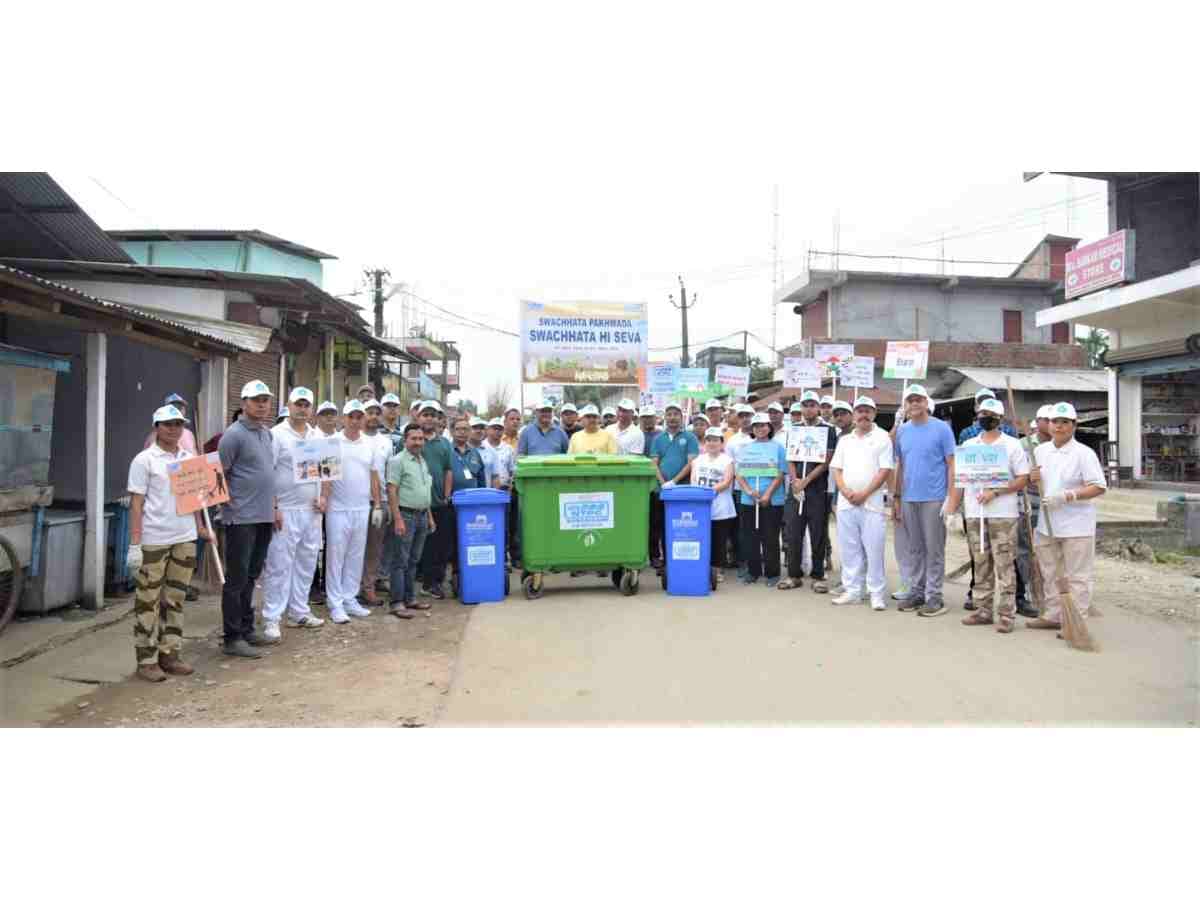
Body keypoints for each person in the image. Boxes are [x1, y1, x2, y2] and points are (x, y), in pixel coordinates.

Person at [125, 404, 213, 681]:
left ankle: (170, 654)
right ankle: (146, 660)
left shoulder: (190, 459)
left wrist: (200, 527)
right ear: (156, 427)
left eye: (178, 424)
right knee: (148, 601)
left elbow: (197, 498)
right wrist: (135, 543)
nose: (174, 429)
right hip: (154, 539)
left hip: (184, 537)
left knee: (175, 599)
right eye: (167, 424)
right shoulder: (144, 460)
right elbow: (136, 504)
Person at [944, 398, 1030, 634]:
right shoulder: (969, 445)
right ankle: (983, 609)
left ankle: (1007, 613)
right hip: (975, 513)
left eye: (990, 414)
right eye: (982, 413)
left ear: (1000, 419)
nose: (986, 417)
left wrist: (996, 492)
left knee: (1005, 564)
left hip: (1003, 515)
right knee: (981, 563)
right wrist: (952, 509)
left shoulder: (1012, 445)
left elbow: (1023, 478)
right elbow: (960, 480)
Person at [1027, 402, 1107, 633]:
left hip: (1077, 525)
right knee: (1050, 572)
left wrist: (1068, 496)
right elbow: (1035, 482)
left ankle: (1076, 621)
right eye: (1055, 422)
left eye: (1064, 422)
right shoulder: (1040, 451)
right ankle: (1053, 615)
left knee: (1077, 576)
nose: (1059, 426)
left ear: (1074, 425)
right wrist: (1033, 477)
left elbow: (1098, 487)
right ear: (1048, 424)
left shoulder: (1084, 453)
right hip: (1047, 523)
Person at [217, 380, 278, 658]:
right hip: (240, 518)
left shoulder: (267, 434)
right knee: (237, 578)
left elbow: (268, 473)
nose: (262, 405)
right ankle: (232, 637)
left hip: (264, 516)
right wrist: (228, 505)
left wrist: (274, 507)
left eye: (265, 400)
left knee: (252, 576)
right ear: (244, 403)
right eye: (256, 400)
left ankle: (246, 628)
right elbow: (218, 475)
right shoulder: (233, 435)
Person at [259, 386, 326, 642]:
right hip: (285, 511)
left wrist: (324, 497)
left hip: (312, 511)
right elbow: (267, 473)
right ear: (289, 405)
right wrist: (274, 506)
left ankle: (299, 611)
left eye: (306, 405)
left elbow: (327, 470)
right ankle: (272, 618)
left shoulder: (317, 436)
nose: (302, 409)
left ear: (312, 408)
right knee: (279, 565)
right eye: (298, 404)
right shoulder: (276, 435)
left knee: (307, 562)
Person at [891, 384, 957, 617]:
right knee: (915, 549)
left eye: (918, 399)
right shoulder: (902, 431)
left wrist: (951, 498)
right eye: (910, 400)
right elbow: (900, 465)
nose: (914, 404)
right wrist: (896, 497)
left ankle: (934, 596)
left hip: (934, 498)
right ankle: (917, 592)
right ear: (905, 405)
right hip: (909, 498)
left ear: (926, 403)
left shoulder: (942, 429)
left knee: (934, 549)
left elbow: (952, 464)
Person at [828, 396, 894, 609]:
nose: (863, 414)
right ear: (854, 414)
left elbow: (885, 470)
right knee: (849, 549)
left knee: (874, 550)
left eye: (867, 411)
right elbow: (836, 469)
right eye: (860, 411)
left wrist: (864, 493)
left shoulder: (883, 437)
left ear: (874, 413)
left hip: (872, 504)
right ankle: (853, 591)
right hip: (846, 503)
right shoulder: (845, 440)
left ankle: (876, 593)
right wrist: (845, 491)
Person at [320, 400, 382, 623]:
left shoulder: (369, 444)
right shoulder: (332, 442)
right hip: (338, 509)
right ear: (343, 419)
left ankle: (350, 598)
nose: (355, 421)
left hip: (361, 508)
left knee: (356, 556)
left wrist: (377, 504)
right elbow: (326, 476)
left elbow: (374, 476)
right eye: (351, 417)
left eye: (359, 417)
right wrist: (324, 499)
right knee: (336, 557)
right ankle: (335, 603)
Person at [778, 391, 838, 593]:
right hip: (796, 488)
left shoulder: (828, 430)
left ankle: (818, 575)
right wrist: (795, 480)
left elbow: (827, 460)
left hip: (817, 489)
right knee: (793, 532)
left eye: (812, 405)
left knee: (818, 533)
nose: (809, 409)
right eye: (805, 405)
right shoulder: (794, 429)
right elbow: (790, 457)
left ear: (818, 407)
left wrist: (807, 480)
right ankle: (794, 575)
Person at [386, 423, 436, 619]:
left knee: (414, 560)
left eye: (421, 439)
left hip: (422, 515)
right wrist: (397, 518)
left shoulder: (422, 461)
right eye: (414, 438)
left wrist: (430, 517)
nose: (418, 442)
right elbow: (392, 490)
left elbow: (425, 491)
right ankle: (396, 602)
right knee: (400, 560)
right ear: (405, 440)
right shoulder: (397, 461)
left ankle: (410, 598)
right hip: (405, 516)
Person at [734, 413, 786, 586]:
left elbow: (780, 473)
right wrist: (749, 491)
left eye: (763, 425)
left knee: (770, 537)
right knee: (750, 537)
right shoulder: (745, 448)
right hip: (749, 500)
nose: (760, 428)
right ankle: (753, 571)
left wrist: (767, 494)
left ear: (769, 427)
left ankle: (772, 573)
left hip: (772, 500)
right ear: (752, 429)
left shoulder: (778, 447)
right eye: (756, 426)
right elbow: (739, 474)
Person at [1013, 406, 1053, 617]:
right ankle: (1028, 589)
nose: (1052, 424)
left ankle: (1052, 590)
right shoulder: (1023, 445)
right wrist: (1028, 476)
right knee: (1026, 548)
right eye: (1047, 419)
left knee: (1052, 547)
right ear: (1038, 422)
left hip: (1055, 502)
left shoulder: (1062, 445)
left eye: (1054, 420)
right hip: (1030, 501)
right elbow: (1016, 473)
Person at [651, 402, 700, 570]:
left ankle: (677, 561)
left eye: (676, 414)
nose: (672, 417)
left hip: (682, 490)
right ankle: (662, 562)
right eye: (669, 414)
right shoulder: (658, 438)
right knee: (660, 526)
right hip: (661, 490)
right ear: (665, 417)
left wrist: (674, 482)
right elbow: (654, 463)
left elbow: (691, 462)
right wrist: (663, 483)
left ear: (681, 417)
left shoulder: (690, 437)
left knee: (679, 526)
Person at [356, 398, 393, 605]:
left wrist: (387, 503)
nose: (373, 417)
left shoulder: (386, 442)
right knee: (353, 547)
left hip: (380, 501)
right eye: (369, 412)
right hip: (355, 500)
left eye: (377, 413)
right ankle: (350, 588)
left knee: (374, 548)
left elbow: (388, 472)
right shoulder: (354, 437)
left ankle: (368, 587)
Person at [418, 401, 456, 599]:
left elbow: (448, 470)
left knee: (441, 546)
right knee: (421, 547)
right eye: (425, 414)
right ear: (418, 417)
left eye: (433, 415)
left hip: (439, 502)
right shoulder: (413, 439)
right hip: (417, 504)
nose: (429, 418)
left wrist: (447, 495)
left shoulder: (444, 443)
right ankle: (423, 582)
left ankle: (435, 583)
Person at [691, 427, 737, 586]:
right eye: (709, 440)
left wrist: (709, 491)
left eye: (716, 440)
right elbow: (693, 481)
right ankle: (702, 567)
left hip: (721, 508)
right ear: (705, 442)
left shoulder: (727, 461)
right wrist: (700, 494)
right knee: (701, 539)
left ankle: (717, 570)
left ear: (722, 443)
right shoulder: (698, 460)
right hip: (701, 506)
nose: (712, 443)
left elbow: (726, 482)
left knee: (719, 541)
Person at [469, 417, 500, 487]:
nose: (478, 431)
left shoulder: (491, 451)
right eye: (475, 428)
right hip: (466, 492)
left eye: (482, 428)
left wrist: (496, 493)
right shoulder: (460, 450)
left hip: (485, 492)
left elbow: (495, 476)